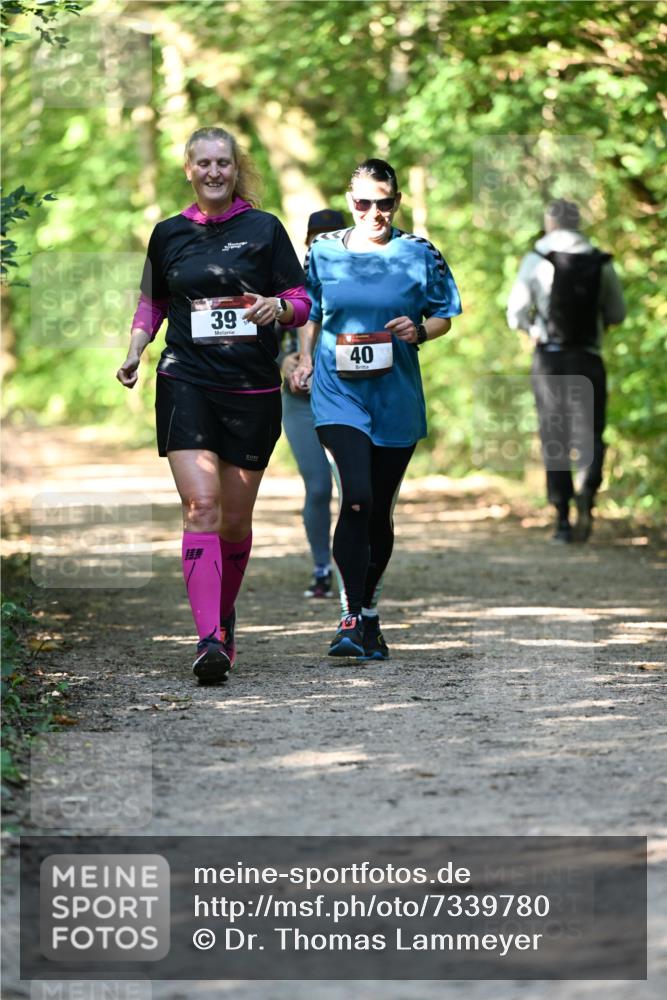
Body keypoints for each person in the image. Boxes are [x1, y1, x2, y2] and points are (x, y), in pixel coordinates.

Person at [116, 126, 310, 684]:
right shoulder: (168, 233)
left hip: (250, 389)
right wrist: (135, 349)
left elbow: (301, 299)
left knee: (234, 522)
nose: (213, 172)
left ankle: (222, 613)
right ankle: (208, 640)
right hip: (186, 380)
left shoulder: (264, 229)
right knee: (201, 506)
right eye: (203, 163)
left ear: (235, 166)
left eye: (222, 162)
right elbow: (152, 302)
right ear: (188, 169)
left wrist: (278, 307)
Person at [291, 158, 461, 660]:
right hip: (337, 390)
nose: (373, 213)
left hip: (395, 395)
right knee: (357, 496)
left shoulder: (420, 252)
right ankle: (348, 616)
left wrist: (419, 330)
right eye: (363, 203)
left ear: (397, 201)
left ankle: (368, 614)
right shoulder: (323, 251)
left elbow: (445, 316)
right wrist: (303, 355)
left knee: (380, 509)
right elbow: (311, 311)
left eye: (383, 203)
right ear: (350, 203)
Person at [507, 199, 626, 543]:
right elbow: (617, 313)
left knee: (554, 436)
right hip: (589, 357)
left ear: (549, 223)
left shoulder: (536, 259)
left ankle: (561, 517)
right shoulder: (600, 262)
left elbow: (515, 314)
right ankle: (588, 488)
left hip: (550, 360)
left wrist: (533, 329)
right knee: (591, 432)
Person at [279, 208, 346, 599]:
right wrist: (282, 361)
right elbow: (262, 340)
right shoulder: (289, 288)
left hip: (348, 397)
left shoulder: (359, 284)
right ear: (306, 243)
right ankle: (322, 566)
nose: (324, 244)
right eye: (317, 238)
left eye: (334, 237)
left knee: (351, 489)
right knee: (319, 487)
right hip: (300, 401)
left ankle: (353, 569)